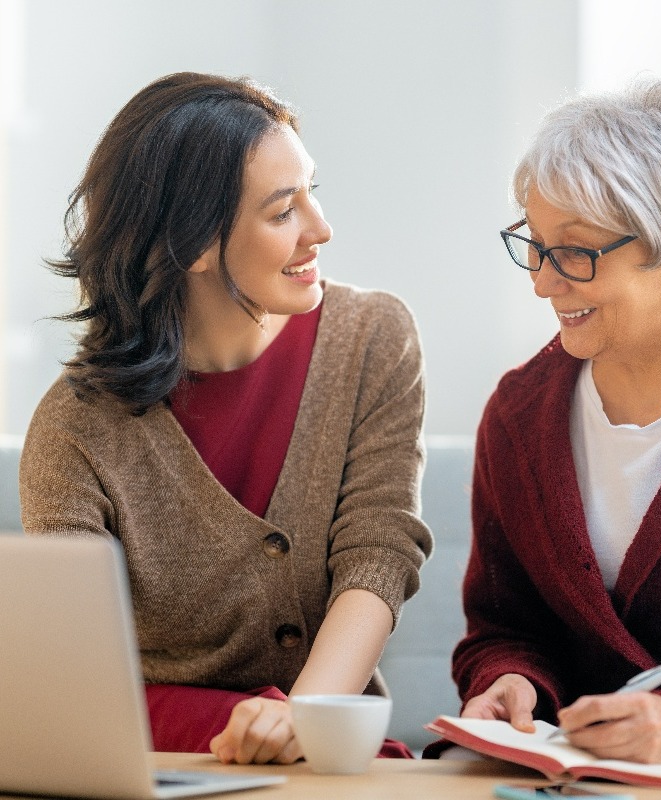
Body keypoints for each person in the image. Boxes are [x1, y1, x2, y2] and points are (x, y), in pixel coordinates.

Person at [19, 72, 432, 765]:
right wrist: (244, 721)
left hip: (326, 751)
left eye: (312, 192)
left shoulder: (373, 339)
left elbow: (378, 555)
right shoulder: (74, 432)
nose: (321, 230)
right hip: (159, 759)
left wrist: (306, 718)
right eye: (281, 212)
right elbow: (76, 681)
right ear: (195, 246)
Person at [449, 76, 661, 764]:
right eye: (535, 244)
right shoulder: (519, 416)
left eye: (576, 253)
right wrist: (507, 681)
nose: (543, 282)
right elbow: (501, 627)